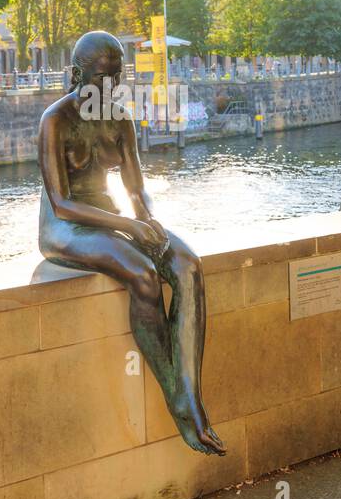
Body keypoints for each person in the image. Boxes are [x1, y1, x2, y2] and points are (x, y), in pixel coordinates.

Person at [37, 31, 225, 456]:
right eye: (101, 79)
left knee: (188, 265)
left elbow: (136, 189)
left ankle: (190, 393)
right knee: (141, 274)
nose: (110, 88)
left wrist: (146, 219)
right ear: (75, 75)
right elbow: (62, 204)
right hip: (65, 228)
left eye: (116, 78)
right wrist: (129, 225)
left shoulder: (120, 118)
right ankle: (178, 398)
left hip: (111, 217)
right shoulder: (55, 119)